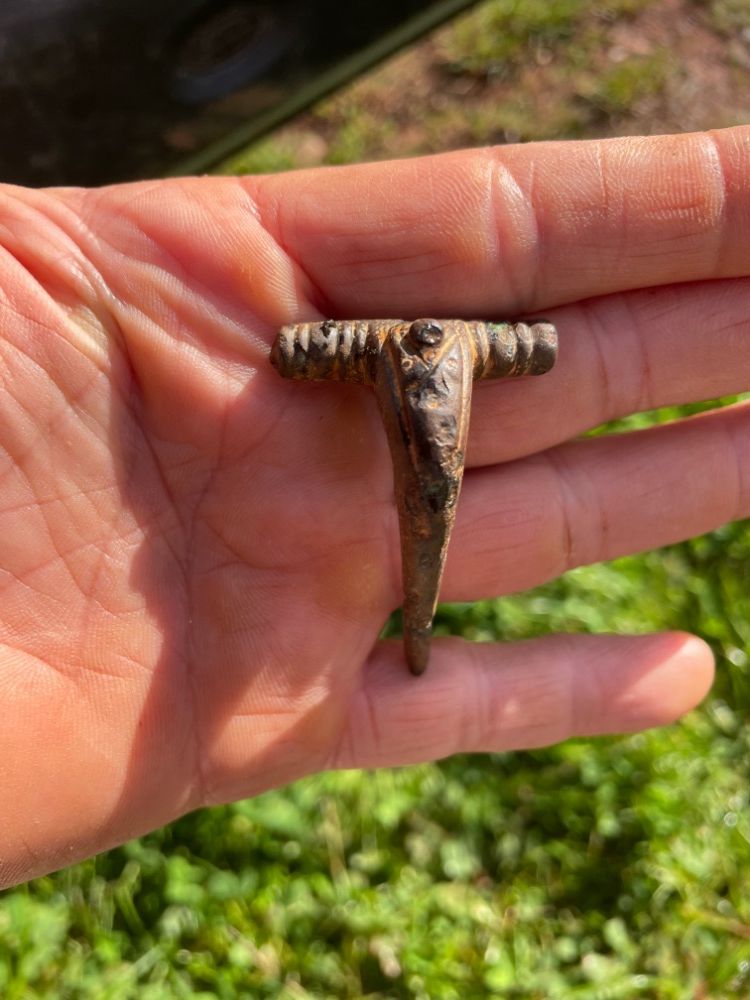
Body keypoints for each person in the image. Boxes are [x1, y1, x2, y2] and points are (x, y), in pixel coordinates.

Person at [0, 126, 746, 888]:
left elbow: (521, 350)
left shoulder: (438, 354)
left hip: (429, 429)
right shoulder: (389, 353)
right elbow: (305, 351)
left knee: (431, 512)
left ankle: (418, 627)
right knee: (428, 509)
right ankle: (417, 628)